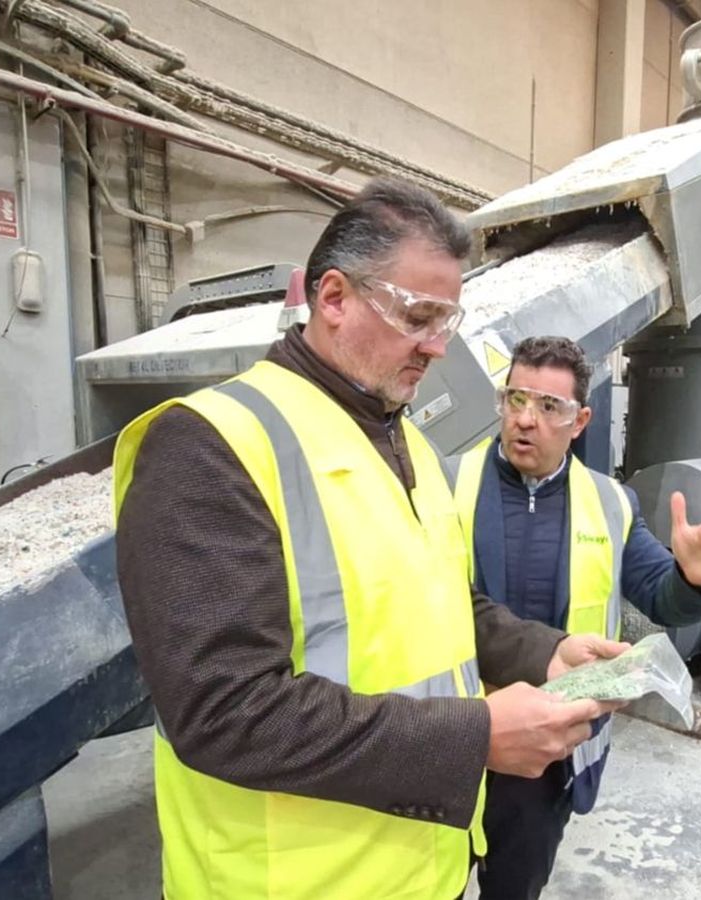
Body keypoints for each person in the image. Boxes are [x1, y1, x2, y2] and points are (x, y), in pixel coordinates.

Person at [114, 178, 629, 900]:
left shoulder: (407, 443)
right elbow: (223, 709)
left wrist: (546, 652)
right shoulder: (210, 445)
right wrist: (474, 738)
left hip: (424, 870)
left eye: (447, 320)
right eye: (419, 316)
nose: (438, 347)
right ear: (333, 299)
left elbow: (445, 603)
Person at [451, 336, 701, 899]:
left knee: (515, 886)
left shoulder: (611, 502)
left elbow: (662, 598)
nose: (526, 419)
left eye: (550, 407)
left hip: (548, 753)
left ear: (581, 420)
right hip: (457, 735)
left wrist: (696, 577)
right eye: (516, 399)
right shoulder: (446, 485)